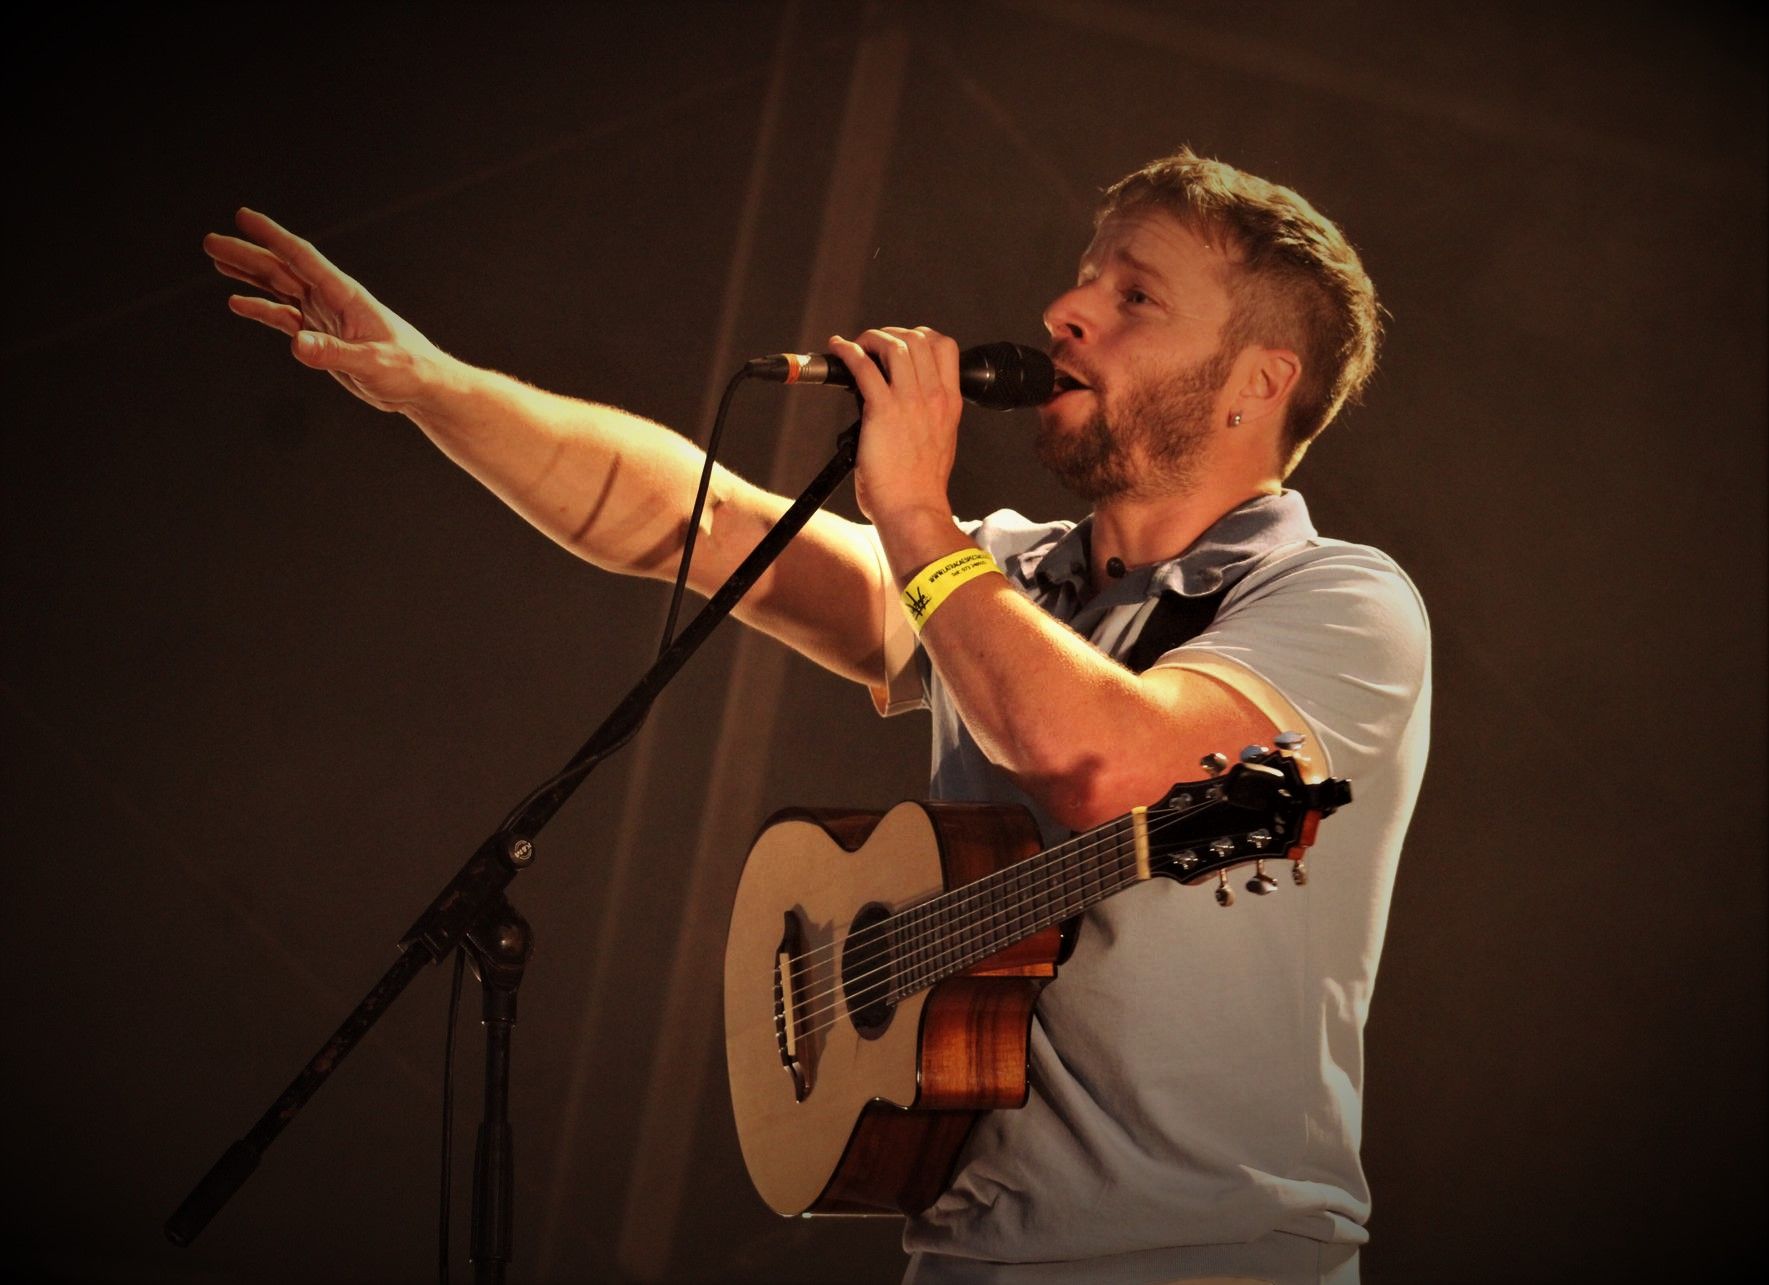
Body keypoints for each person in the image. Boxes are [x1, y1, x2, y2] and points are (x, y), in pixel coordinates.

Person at [204, 147, 1429, 1285]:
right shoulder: (1007, 578)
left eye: (1135, 296)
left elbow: (1093, 757)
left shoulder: (1339, 600)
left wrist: (914, 521)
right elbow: (695, 522)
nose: (1067, 310)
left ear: (1259, 382)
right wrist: (434, 386)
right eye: (1083, 274)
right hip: (958, 1257)